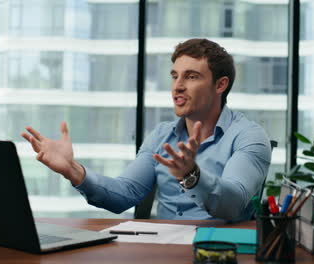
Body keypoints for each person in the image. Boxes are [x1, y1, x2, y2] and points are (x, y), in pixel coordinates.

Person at [21, 38, 271, 222]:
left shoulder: (249, 136)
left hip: (218, 252)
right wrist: (73, 171)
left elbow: (234, 205)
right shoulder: (161, 135)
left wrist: (192, 176)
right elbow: (124, 195)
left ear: (220, 85)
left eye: (192, 77)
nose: (178, 86)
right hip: (162, 250)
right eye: (175, 76)